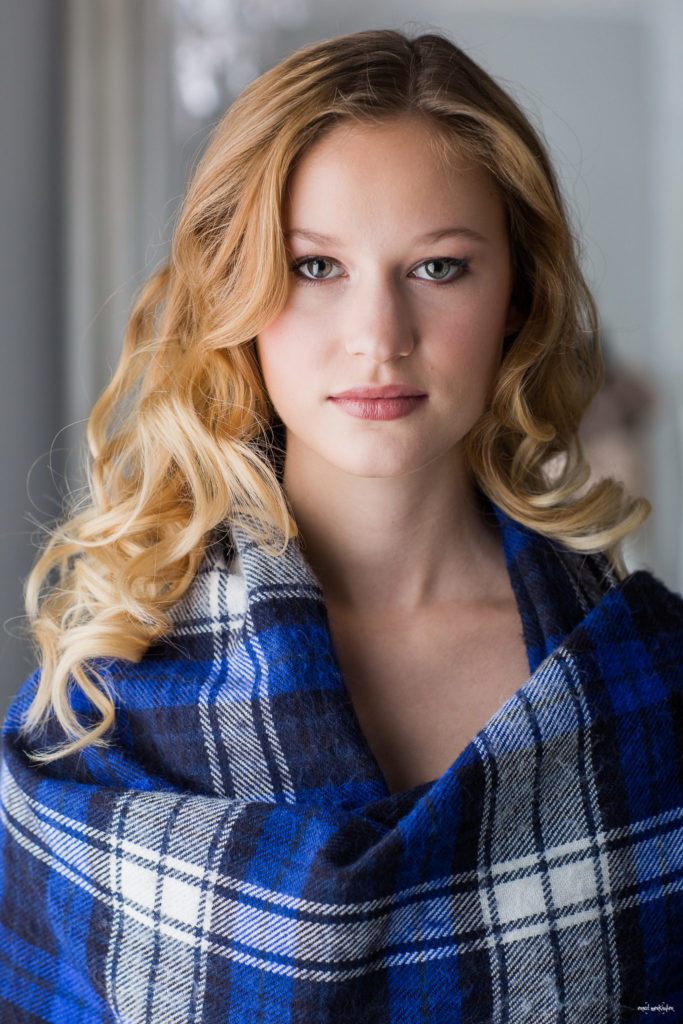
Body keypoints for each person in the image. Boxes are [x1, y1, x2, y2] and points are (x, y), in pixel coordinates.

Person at [1, 28, 681, 1024]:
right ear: (234, 287)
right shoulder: (107, 706)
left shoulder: (649, 682)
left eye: (438, 268)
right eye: (315, 267)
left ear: (517, 294)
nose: (378, 338)